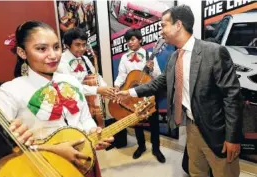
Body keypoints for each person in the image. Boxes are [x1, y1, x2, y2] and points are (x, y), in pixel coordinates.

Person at [117, 5, 243, 177]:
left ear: (178, 25)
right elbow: (159, 83)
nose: (161, 32)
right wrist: (130, 93)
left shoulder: (213, 52)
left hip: (217, 132)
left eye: (163, 25)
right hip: (191, 128)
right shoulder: (174, 57)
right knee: (196, 172)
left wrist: (232, 138)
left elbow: (232, 97)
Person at [0, 20, 113, 177]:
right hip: (44, 168)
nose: (53, 55)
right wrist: (53, 150)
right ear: (22, 53)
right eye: (42, 49)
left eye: (56, 47)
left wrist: (92, 130)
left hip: (83, 159)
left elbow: (84, 118)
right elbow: (0, 142)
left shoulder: (71, 81)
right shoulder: (10, 90)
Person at [114, 28, 165, 163]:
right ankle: (141, 146)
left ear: (140, 40)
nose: (129, 43)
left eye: (132, 39)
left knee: (154, 123)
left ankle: (156, 149)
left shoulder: (150, 55)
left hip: (149, 95)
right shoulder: (124, 58)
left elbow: (159, 77)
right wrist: (117, 85)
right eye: (127, 41)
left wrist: (152, 68)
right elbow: (121, 75)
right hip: (132, 94)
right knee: (136, 122)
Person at [57, 27, 115, 126]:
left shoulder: (84, 59)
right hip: (72, 109)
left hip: (89, 106)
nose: (82, 48)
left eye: (84, 45)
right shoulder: (61, 62)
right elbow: (71, 89)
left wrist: (106, 88)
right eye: (77, 45)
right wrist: (97, 90)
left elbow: (95, 76)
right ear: (67, 45)